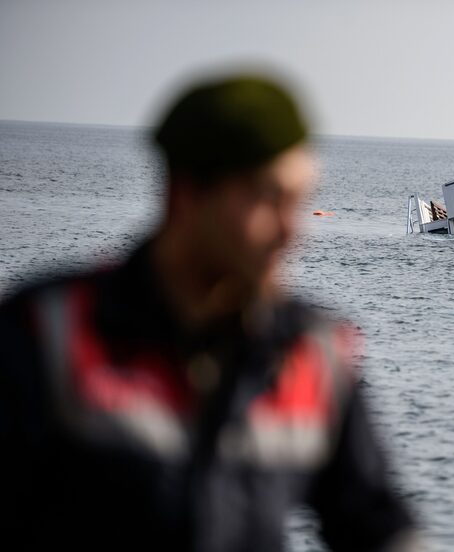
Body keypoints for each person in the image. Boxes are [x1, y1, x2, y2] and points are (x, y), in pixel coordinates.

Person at [0, 73, 420, 551]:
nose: (292, 231)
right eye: (268, 199)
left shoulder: (313, 354)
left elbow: (378, 525)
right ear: (186, 196)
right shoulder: (51, 333)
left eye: (300, 202)